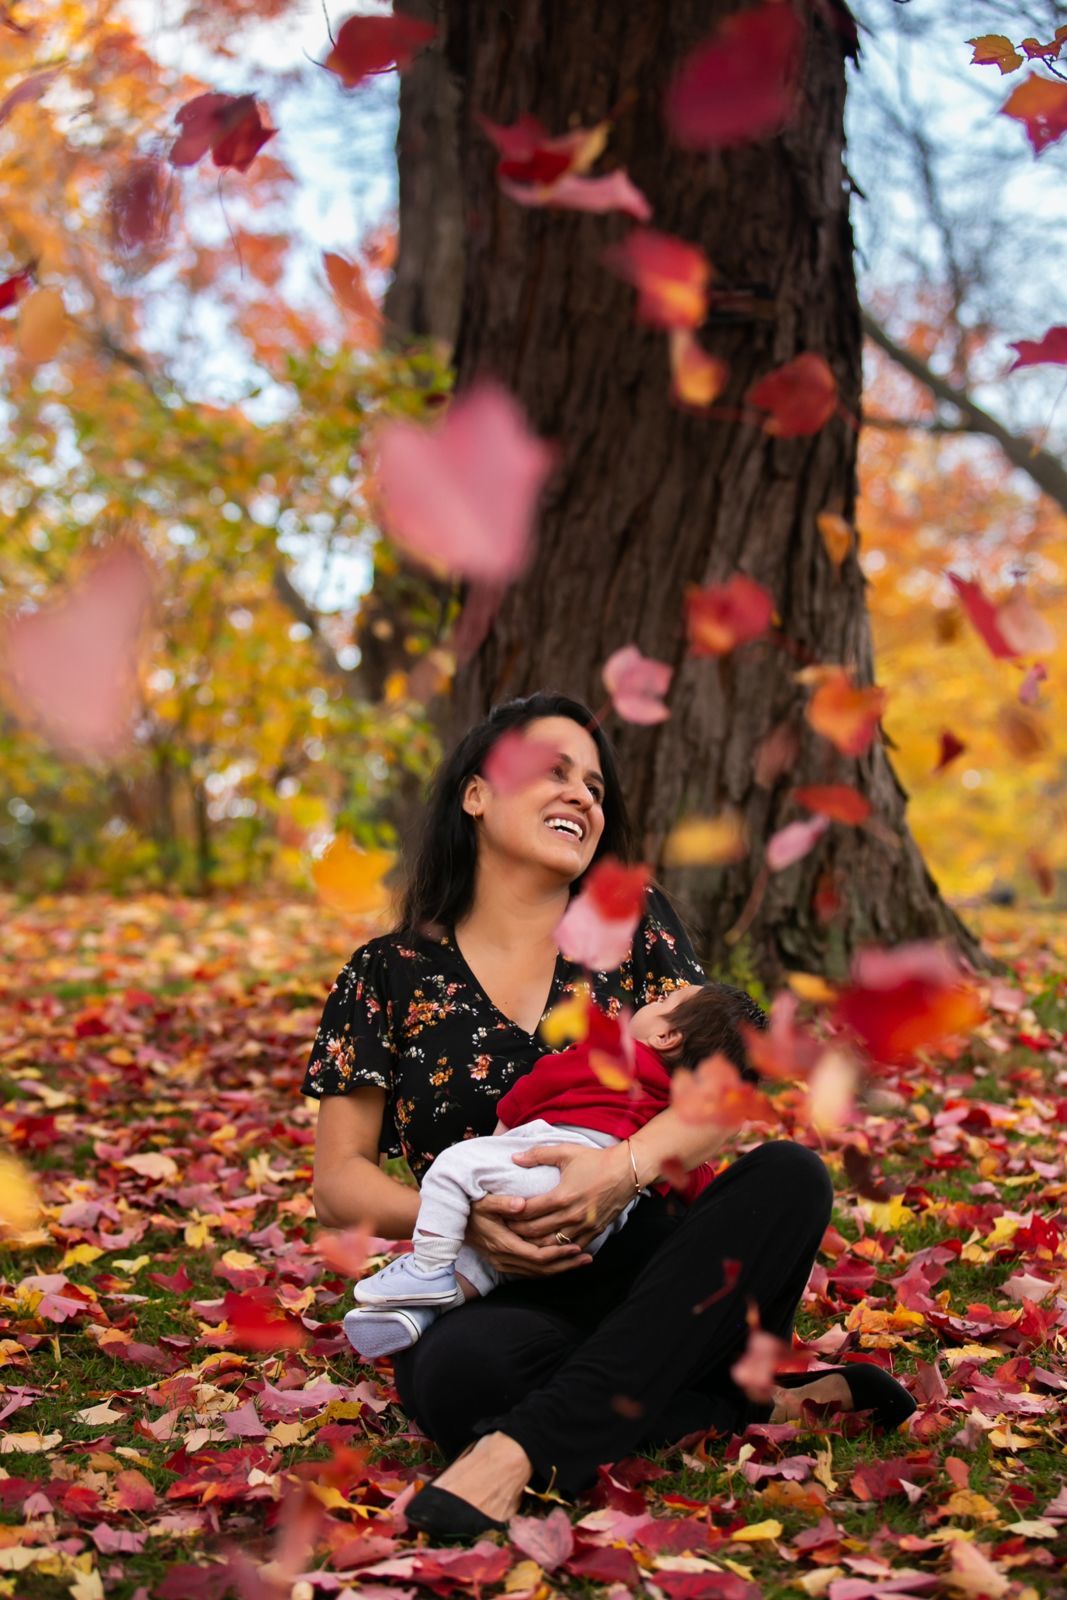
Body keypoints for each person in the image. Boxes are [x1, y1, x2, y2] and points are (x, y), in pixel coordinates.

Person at [304, 692, 916, 1542]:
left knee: (789, 1175)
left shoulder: (631, 925)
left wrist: (615, 1174)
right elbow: (337, 1183)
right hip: (503, 1285)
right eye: (552, 773)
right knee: (456, 1379)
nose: (581, 796)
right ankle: (735, 1404)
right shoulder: (386, 972)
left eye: (594, 787)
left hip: (663, 1269)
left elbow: (720, 1093)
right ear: (475, 793)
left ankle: (515, 1454)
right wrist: (465, 1221)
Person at [344, 980, 767, 1357]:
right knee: (492, 1265)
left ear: (666, 1035)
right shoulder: (675, 1107)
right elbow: (690, 1174)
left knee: (454, 1167)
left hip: (545, 1166)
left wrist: (499, 1142)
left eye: (665, 1000)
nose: (655, 999)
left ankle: (428, 1267)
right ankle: (417, 1315)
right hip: (596, 1230)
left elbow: (535, 1086)